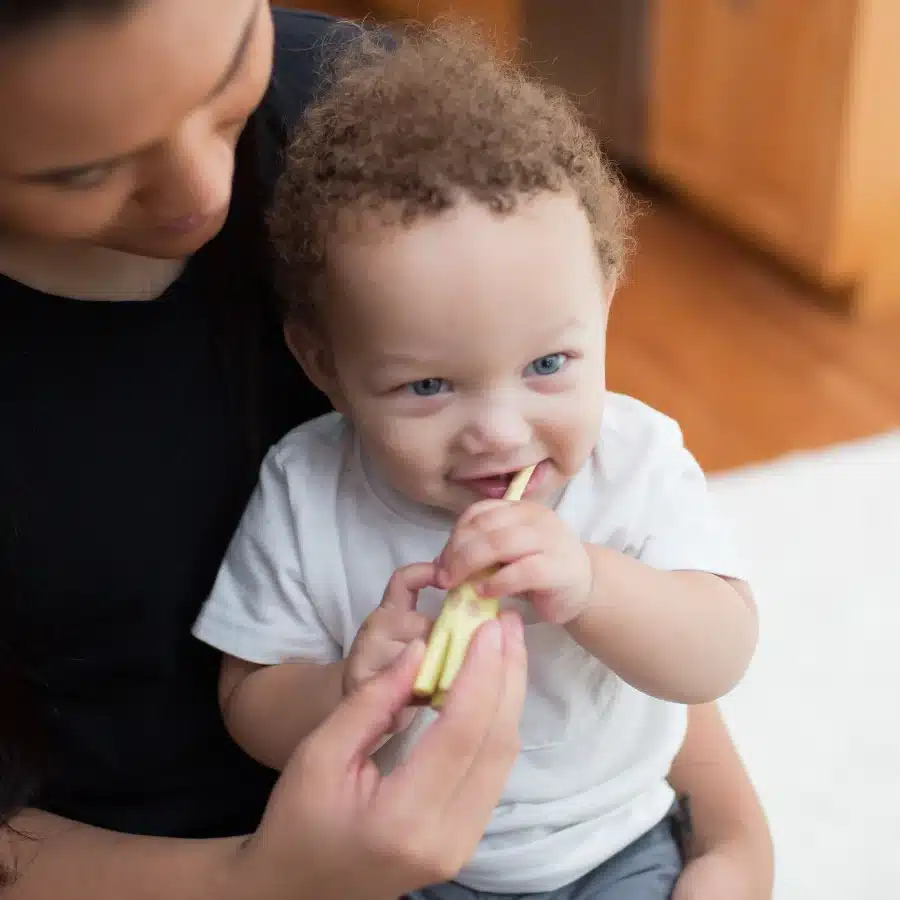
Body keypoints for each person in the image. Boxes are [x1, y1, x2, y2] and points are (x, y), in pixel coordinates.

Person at [0, 2, 772, 898]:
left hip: (616, 848)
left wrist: (599, 593)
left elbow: (713, 653)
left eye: (225, 86)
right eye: (83, 171)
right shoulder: (308, 485)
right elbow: (253, 696)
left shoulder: (618, 446)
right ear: (321, 363)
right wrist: (347, 692)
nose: (499, 431)